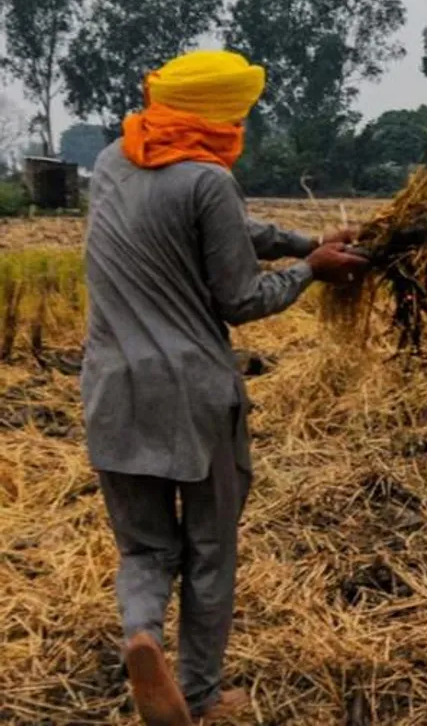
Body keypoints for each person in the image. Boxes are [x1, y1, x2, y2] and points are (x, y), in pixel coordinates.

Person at [80, 50, 368, 725]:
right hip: (193, 399)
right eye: (236, 114)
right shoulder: (208, 180)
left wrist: (306, 240)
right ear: (216, 115)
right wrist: (312, 271)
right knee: (210, 549)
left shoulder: (114, 163)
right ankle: (202, 696)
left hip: (110, 393)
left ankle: (142, 636)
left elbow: (228, 234)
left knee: (147, 548)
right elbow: (240, 297)